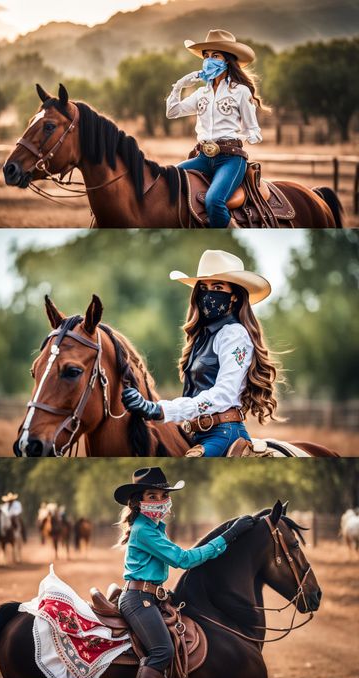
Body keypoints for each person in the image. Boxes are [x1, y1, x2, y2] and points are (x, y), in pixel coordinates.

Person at [120, 250, 282, 457]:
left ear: (234, 296)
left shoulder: (234, 334)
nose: (208, 295)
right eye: (203, 288)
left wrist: (160, 410)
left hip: (223, 433)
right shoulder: (202, 336)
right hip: (192, 432)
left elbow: (224, 394)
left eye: (217, 287)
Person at [111, 467, 254, 678]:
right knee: (162, 651)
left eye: (164, 495)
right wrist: (228, 536)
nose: (160, 500)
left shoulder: (156, 527)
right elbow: (183, 560)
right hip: (138, 600)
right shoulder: (144, 530)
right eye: (152, 496)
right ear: (138, 502)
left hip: (151, 596)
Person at [163, 29, 267, 228]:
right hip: (202, 157)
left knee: (214, 201)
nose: (209, 60)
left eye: (216, 55)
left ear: (227, 60)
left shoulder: (241, 91)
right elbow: (172, 112)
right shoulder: (201, 93)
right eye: (206, 56)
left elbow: (253, 129)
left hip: (230, 158)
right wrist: (179, 86)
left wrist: (249, 135)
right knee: (167, 179)